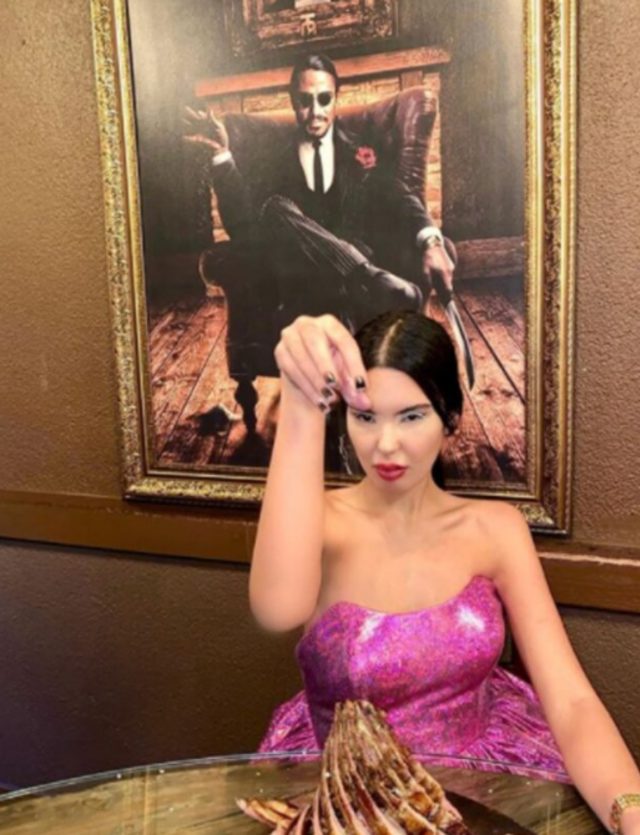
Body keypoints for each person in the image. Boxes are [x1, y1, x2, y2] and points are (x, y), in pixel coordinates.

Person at [249, 310, 640, 834]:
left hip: (488, 786)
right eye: (365, 417)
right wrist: (301, 400)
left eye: (411, 417)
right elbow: (276, 610)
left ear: (450, 417)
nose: (386, 444)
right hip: (350, 803)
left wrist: (630, 812)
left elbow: (570, 701)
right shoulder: (317, 522)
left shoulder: (496, 529)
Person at [183, 53, 455, 330]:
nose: (315, 111)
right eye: (305, 100)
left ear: (336, 99)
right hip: (300, 281)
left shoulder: (361, 149)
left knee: (341, 289)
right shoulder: (270, 159)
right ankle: (368, 279)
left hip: (352, 279)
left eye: (324, 99)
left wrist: (432, 242)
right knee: (276, 209)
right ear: (293, 101)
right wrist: (221, 155)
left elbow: (400, 196)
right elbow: (243, 228)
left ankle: (358, 293)